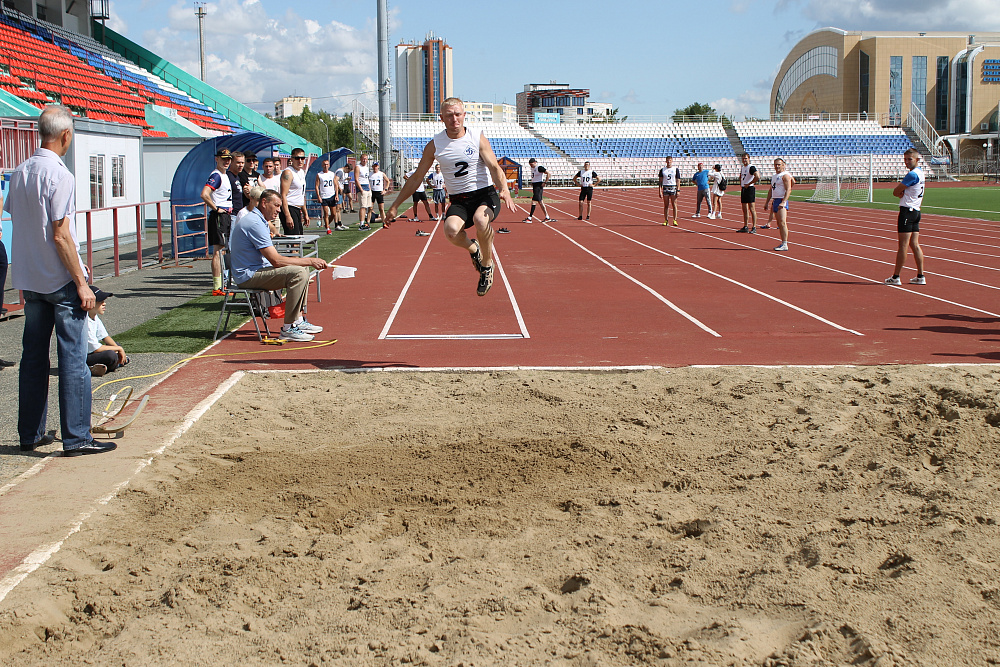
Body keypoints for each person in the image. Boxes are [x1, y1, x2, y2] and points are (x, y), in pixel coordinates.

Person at [4, 105, 115, 456]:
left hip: (29, 276)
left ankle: (31, 433)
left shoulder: (20, 171)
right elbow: (61, 235)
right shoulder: (60, 175)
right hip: (59, 278)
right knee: (72, 358)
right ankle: (77, 437)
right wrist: (81, 282)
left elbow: (14, 214)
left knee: (33, 358)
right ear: (66, 135)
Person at [386, 97, 517, 297]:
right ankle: (474, 249)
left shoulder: (476, 137)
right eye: (449, 115)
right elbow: (416, 178)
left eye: (457, 114)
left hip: (484, 195)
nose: (454, 119)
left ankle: (487, 266)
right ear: (442, 118)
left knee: (480, 219)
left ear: (464, 116)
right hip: (459, 199)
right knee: (451, 231)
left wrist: (504, 189)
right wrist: (395, 205)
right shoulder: (435, 145)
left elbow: (494, 167)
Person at [229, 189, 330, 341]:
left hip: (255, 270)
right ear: (264, 203)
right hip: (248, 276)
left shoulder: (259, 221)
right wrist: (310, 260)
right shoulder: (254, 222)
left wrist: (305, 263)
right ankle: (288, 328)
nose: (279, 210)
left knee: (302, 268)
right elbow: (276, 261)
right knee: (299, 273)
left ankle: (298, 320)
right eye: (276, 205)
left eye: (280, 206)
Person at [885, 148, 926, 286]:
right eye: (905, 159)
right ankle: (920, 275)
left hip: (907, 212)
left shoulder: (912, 175)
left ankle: (896, 276)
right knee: (915, 244)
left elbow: (895, 191)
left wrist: (900, 193)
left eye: (910, 159)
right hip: (916, 211)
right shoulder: (920, 173)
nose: (907, 162)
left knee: (903, 245)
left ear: (917, 159)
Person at [200, 147, 234, 295]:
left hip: (225, 215)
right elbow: (204, 194)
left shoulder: (224, 175)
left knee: (222, 250)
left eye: (228, 159)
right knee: (218, 252)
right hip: (220, 215)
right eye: (223, 159)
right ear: (217, 159)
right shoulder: (216, 175)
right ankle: (217, 287)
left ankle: (222, 285)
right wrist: (216, 208)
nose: (226, 161)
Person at [85, 286, 128, 377]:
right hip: (84, 356)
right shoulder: (85, 322)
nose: (104, 304)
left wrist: (117, 348)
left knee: (116, 345)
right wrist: (119, 350)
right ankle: (90, 368)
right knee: (110, 355)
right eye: (100, 302)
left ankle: (113, 363)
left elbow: (105, 337)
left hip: (93, 352)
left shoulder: (95, 317)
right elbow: (96, 349)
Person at [762, 158, 794, 251]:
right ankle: (783, 242)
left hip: (781, 200)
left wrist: (784, 201)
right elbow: (771, 190)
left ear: (783, 165)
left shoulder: (785, 176)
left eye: (779, 164)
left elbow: (789, 188)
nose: (777, 166)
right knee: (779, 223)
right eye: (775, 164)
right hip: (775, 200)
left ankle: (785, 243)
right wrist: (767, 202)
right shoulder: (775, 176)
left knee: (783, 222)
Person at [280, 148, 309, 235]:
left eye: (302, 158)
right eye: (297, 158)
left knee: (299, 237)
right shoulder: (288, 173)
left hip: (297, 208)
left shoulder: (301, 172)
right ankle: (293, 250)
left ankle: (295, 249)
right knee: (294, 240)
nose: (300, 161)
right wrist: (288, 215)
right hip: (289, 206)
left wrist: (305, 213)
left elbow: (301, 194)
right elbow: (283, 195)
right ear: (292, 159)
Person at [523, 158, 554, 223]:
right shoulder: (532, 168)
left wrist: (545, 182)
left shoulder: (539, 168)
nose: (531, 166)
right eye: (530, 165)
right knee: (540, 202)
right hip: (535, 185)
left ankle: (530, 217)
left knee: (534, 201)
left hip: (538, 185)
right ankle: (547, 217)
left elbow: (548, 173)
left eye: (531, 164)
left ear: (535, 162)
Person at [315, 159, 339, 234]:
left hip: (331, 195)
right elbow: (316, 186)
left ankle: (327, 224)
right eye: (324, 164)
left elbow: (336, 184)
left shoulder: (332, 174)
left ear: (329, 165)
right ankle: (328, 229)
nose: (326, 166)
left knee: (333, 213)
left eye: (327, 164)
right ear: (322, 165)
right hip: (324, 196)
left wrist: (337, 195)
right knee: (326, 213)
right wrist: (318, 196)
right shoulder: (319, 175)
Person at [737, 153, 759, 233]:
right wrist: (741, 184)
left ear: (749, 159)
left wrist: (749, 183)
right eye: (743, 158)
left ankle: (754, 227)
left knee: (752, 208)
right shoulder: (743, 168)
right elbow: (741, 176)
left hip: (750, 189)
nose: (744, 160)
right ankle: (745, 226)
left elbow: (757, 176)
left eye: (746, 158)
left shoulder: (751, 167)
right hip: (744, 189)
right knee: (744, 209)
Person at [657, 156, 681, 226]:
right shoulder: (663, 170)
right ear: (666, 161)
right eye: (667, 161)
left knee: (674, 204)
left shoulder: (675, 169)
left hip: (673, 187)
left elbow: (678, 180)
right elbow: (660, 181)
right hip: (665, 187)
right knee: (666, 205)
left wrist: (678, 189)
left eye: (670, 160)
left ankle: (675, 220)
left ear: (672, 161)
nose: (669, 162)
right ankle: (666, 220)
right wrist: (659, 191)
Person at [354, 154, 372, 230]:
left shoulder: (367, 168)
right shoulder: (358, 167)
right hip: (362, 187)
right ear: (361, 159)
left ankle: (366, 222)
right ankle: (361, 224)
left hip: (367, 188)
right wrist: (361, 189)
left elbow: (367, 179)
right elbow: (356, 179)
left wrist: (369, 188)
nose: (364, 160)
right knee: (363, 206)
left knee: (369, 207)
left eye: (366, 159)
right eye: (363, 159)